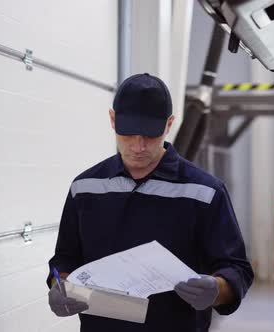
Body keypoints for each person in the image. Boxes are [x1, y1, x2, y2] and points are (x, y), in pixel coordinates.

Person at [46, 73, 254, 331]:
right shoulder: (84, 188)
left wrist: (217, 289)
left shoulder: (204, 192)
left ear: (169, 124)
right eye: (129, 133)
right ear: (112, 120)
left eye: (150, 135)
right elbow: (65, 259)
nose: (138, 146)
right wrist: (59, 286)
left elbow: (237, 269)